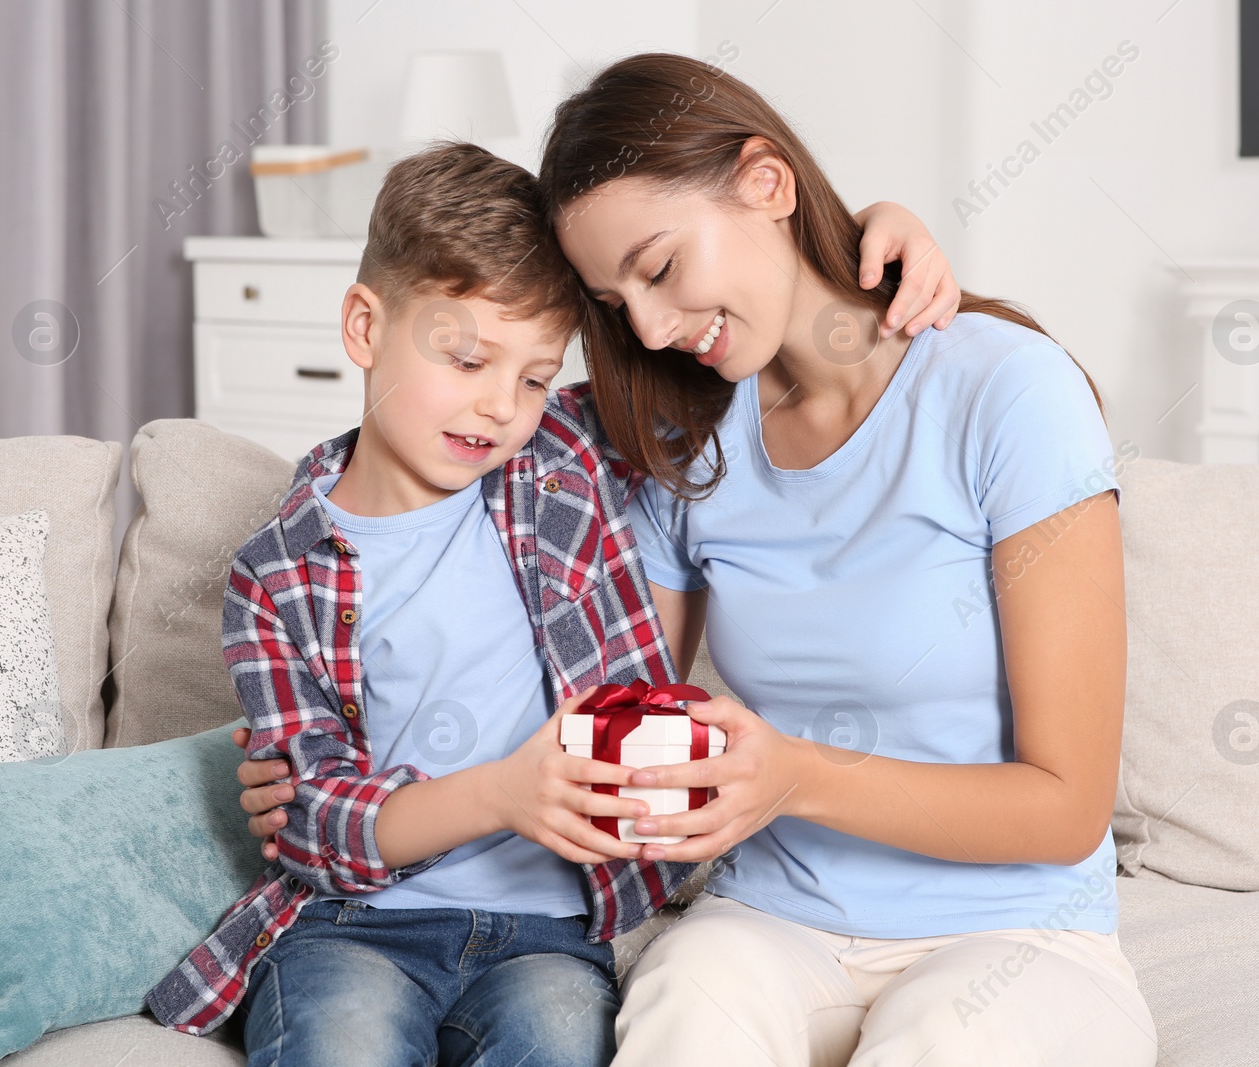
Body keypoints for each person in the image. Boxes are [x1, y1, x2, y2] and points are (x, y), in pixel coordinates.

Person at [151, 139, 955, 1067]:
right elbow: (312, 821)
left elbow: (727, 351)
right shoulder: (277, 574)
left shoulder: (561, 461)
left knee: (562, 1040)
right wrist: (501, 793)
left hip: (548, 930)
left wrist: (869, 240)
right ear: (366, 328)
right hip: (355, 925)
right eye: (466, 358)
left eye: (533, 377)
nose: (499, 406)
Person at [531, 52, 1160, 1066]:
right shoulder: (687, 441)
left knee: (944, 1037)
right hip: (773, 925)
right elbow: (616, 712)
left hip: (1015, 936)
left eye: (657, 268)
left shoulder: (1006, 393)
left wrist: (792, 775)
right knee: (684, 1000)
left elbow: (1066, 802)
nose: (647, 325)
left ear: (765, 182)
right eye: (615, 302)